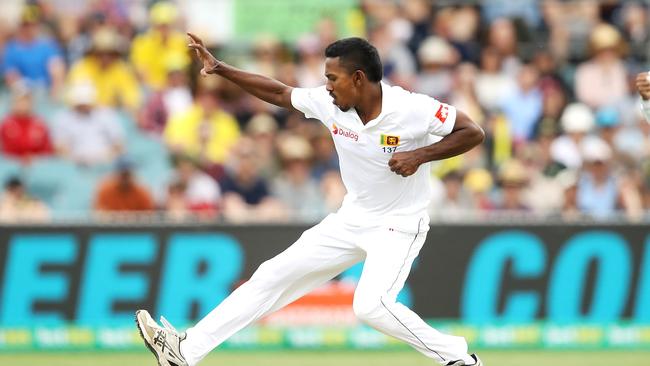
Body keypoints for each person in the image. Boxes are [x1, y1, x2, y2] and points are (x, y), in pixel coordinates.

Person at [135, 34, 485, 366]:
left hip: (399, 225)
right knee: (271, 275)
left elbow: (472, 132)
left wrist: (419, 155)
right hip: (352, 218)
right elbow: (278, 92)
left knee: (371, 307)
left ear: (359, 78)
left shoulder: (412, 108)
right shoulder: (329, 104)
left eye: (333, 78)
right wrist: (221, 68)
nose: (327, 86)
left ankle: (456, 356)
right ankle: (186, 350)